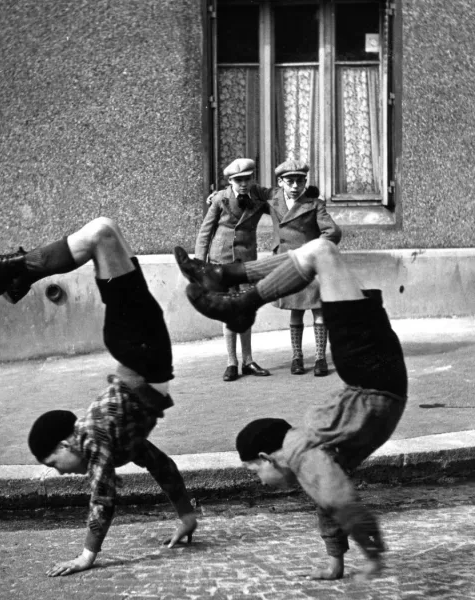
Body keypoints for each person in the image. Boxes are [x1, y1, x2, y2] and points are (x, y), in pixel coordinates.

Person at [0, 218, 198, 577]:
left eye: (54, 463)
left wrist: (87, 556)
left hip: (140, 347)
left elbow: (103, 498)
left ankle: (11, 274)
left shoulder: (95, 438)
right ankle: (13, 278)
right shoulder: (118, 440)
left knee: (100, 234)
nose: (61, 472)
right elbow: (163, 466)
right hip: (144, 348)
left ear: (66, 443)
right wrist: (187, 516)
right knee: (104, 231)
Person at [174, 238, 407, 580]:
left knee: (321, 253)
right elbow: (329, 500)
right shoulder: (308, 453)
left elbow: (337, 499)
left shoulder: (300, 452)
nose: (259, 481)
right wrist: (340, 560)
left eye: (255, 471)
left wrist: (371, 554)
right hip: (372, 371)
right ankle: (228, 281)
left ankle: (235, 296)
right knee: (321, 253)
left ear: (267, 457)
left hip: (372, 372)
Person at [192, 157, 271, 382]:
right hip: (222, 260)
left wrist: (307, 198)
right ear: (230, 181)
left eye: (247, 179)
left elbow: (280, 203)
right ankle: (231, 362)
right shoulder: (220, 199)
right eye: (238, 180)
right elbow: (205, 232)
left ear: (253, 179)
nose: (243, 184)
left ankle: (248, 360)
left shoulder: (258, 198)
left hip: (246, 263)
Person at [267, 159, 341, 376]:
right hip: (288, 264)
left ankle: (320, 358)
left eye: (300, 181)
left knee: (318, 309)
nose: (295, 186)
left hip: (311, 265)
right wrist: (217, 196)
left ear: (305, 182)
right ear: (280, 182)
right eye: (290, 181)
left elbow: (332, 231)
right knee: (296, 310)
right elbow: (249, 192)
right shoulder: (273, 200)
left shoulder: (314, 204)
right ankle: (297, 357)